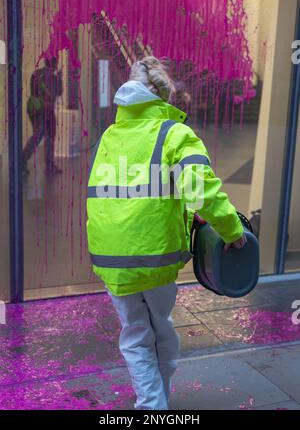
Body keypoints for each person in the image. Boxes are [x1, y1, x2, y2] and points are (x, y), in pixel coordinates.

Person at [86, 56, 247, 410]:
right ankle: (155, 405)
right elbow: (201, 192)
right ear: (165, 97)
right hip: (154, 254)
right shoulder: (174, 133)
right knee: (161, 330)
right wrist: (233, 231)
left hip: (111, 257)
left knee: (135, 334)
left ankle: (151, 401)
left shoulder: (110, 135)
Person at [23, 56, 63, 175]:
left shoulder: (36, 74)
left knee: (38, 135)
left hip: (33, 107)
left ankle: (23, 160)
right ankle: (47, 165)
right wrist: (59, 78)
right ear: (55, 63)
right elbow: (58, 92)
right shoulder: (54, 78)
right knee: (48, 135)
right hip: (45, 109)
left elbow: (33, 89)